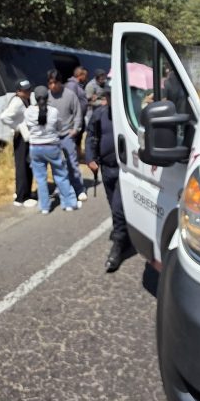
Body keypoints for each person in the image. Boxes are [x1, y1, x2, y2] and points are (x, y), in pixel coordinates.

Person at [85, 86, 133, 272]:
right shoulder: (99, 114)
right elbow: (90, 136)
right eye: (109, 96)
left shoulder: (130, 116)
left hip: (126, 170)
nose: (111, 99)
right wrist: (90, 158)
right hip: (106, 169)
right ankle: (126, 234)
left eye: (115, 95)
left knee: (119, 209)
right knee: (114, 206)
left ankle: (118, 245)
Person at [24, 85, 79, 214]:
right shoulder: (53, 111)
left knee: (41, 179)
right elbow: (59, 127)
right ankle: (69, 203)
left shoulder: (28, 112)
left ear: (35, 98)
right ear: (48, 97)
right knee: (61, 175)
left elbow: (27, 127)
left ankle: (45, 207)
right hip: (52, 146)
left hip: (35, 148)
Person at [46, 69, 87, 202]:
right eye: (50, 83)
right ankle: (60, 188)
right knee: (56, 165)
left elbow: (77, 113)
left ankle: (79, 189)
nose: (52, 86)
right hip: (53, 137)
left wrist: (75, 129)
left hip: (67, 135)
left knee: (72, 163)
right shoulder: (47, 96)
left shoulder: (70, 95)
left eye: (55, 83)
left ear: (60, 82)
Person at [0, 79, 37, 207]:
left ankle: (26, 192)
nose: (28, 91)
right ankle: (21, 197)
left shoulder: (27, 98)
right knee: (22, 166)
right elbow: (4, 117)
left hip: (26, 137)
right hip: (21, 138)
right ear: (18, 91)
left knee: (28, 165)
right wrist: (17, 127)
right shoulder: (16, 102)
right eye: (25, 90)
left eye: (29, 88)